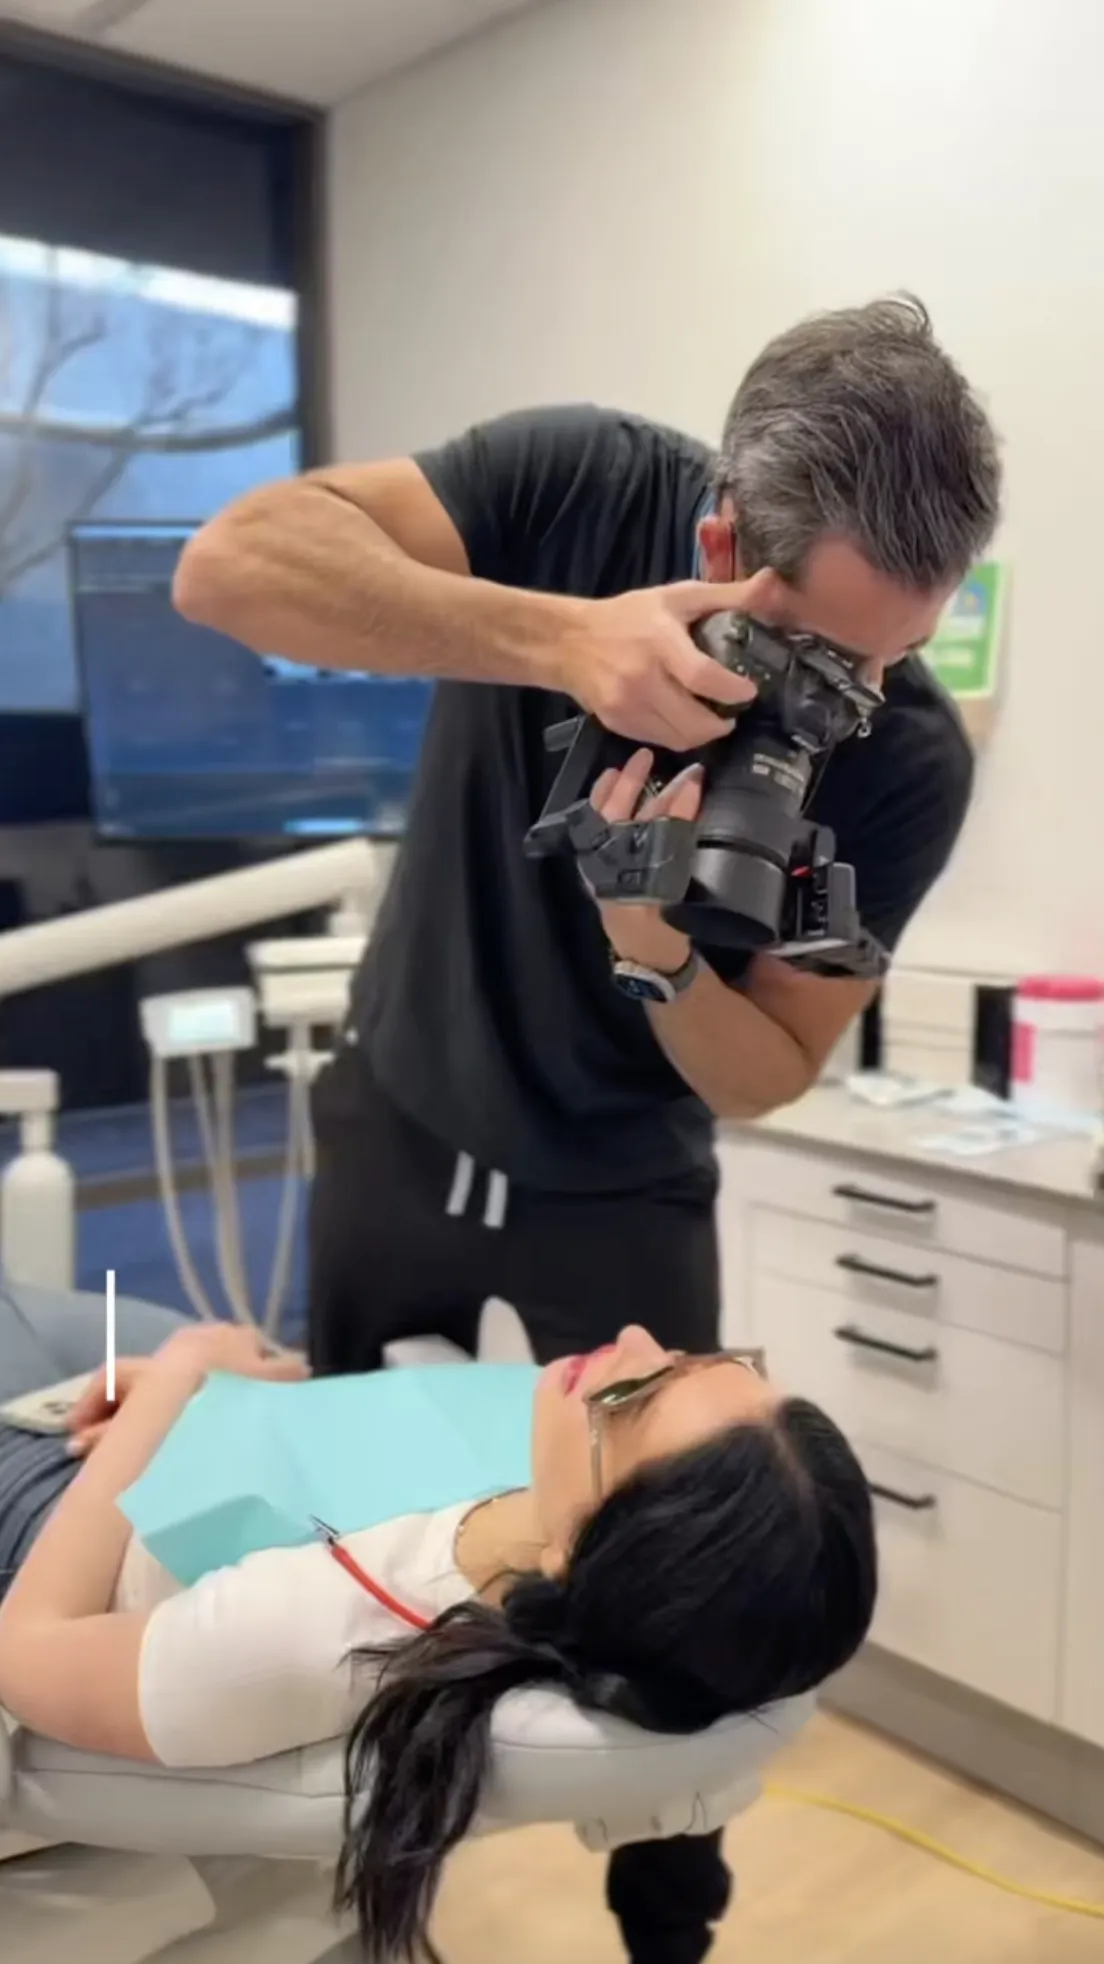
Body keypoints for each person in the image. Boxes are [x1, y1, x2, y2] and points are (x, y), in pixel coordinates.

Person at [173, 294, 1000, 1962]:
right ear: (721, 538)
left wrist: (654, 948)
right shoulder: (578, 486)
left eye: (887, 660)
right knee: (329, 1520)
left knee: (684, 1613)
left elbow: (765, 1070)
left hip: (622, 1183)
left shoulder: (900, 756)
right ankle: (352, 1885)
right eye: (819, 657)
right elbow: (231, 565)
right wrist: (556, 640)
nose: (848, 705)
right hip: (402, 1115)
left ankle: (665, 1924)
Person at [0, 1289, 875, 1964]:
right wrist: (229, 1389)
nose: (636, 1336)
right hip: (183, 1450)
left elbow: (24, 1649)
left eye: (634, 1397)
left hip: (50, 1516)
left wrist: (179, 1381)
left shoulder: (322, 1630)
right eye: (688, 1360)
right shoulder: (545, 1506)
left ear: (585, 1550)